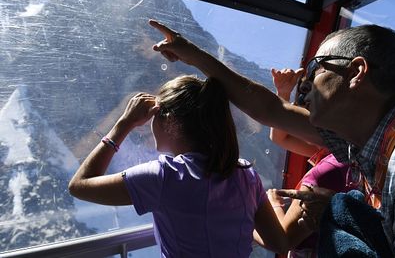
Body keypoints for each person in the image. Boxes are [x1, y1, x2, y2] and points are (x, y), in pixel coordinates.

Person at [149, 20, 395, 257]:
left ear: (356, 72)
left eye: (316, 68)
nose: (305, 83)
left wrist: (334, 214)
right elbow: (270, 109)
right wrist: (192, 54)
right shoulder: (365, 135)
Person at [69, 75, 290, 257]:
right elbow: (279, 244)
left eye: (153, 116)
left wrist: (124, 123)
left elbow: (79, 185)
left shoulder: (163, 177)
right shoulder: (245, 173)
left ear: (169, 120)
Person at [256, 68, 355, 257]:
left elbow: (282, 241)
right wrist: (283, 94)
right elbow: (280, 138)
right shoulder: (340, 154)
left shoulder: (326, 172)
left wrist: (270, 204)